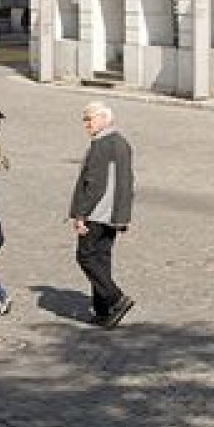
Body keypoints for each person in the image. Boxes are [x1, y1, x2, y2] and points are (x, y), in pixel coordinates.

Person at [69, 101, 136, 327]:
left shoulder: (102, 145)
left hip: (97, 213)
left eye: (90, 119)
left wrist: (81, 215)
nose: (86, 124)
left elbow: (94, 184)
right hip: (114, 214)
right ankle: (104, 311)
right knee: (102, 259)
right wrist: (123, 216)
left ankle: (116, 298)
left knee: (86, 256)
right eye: (85, 119)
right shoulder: (122, 143)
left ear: (105, 118)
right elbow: (128, 183)